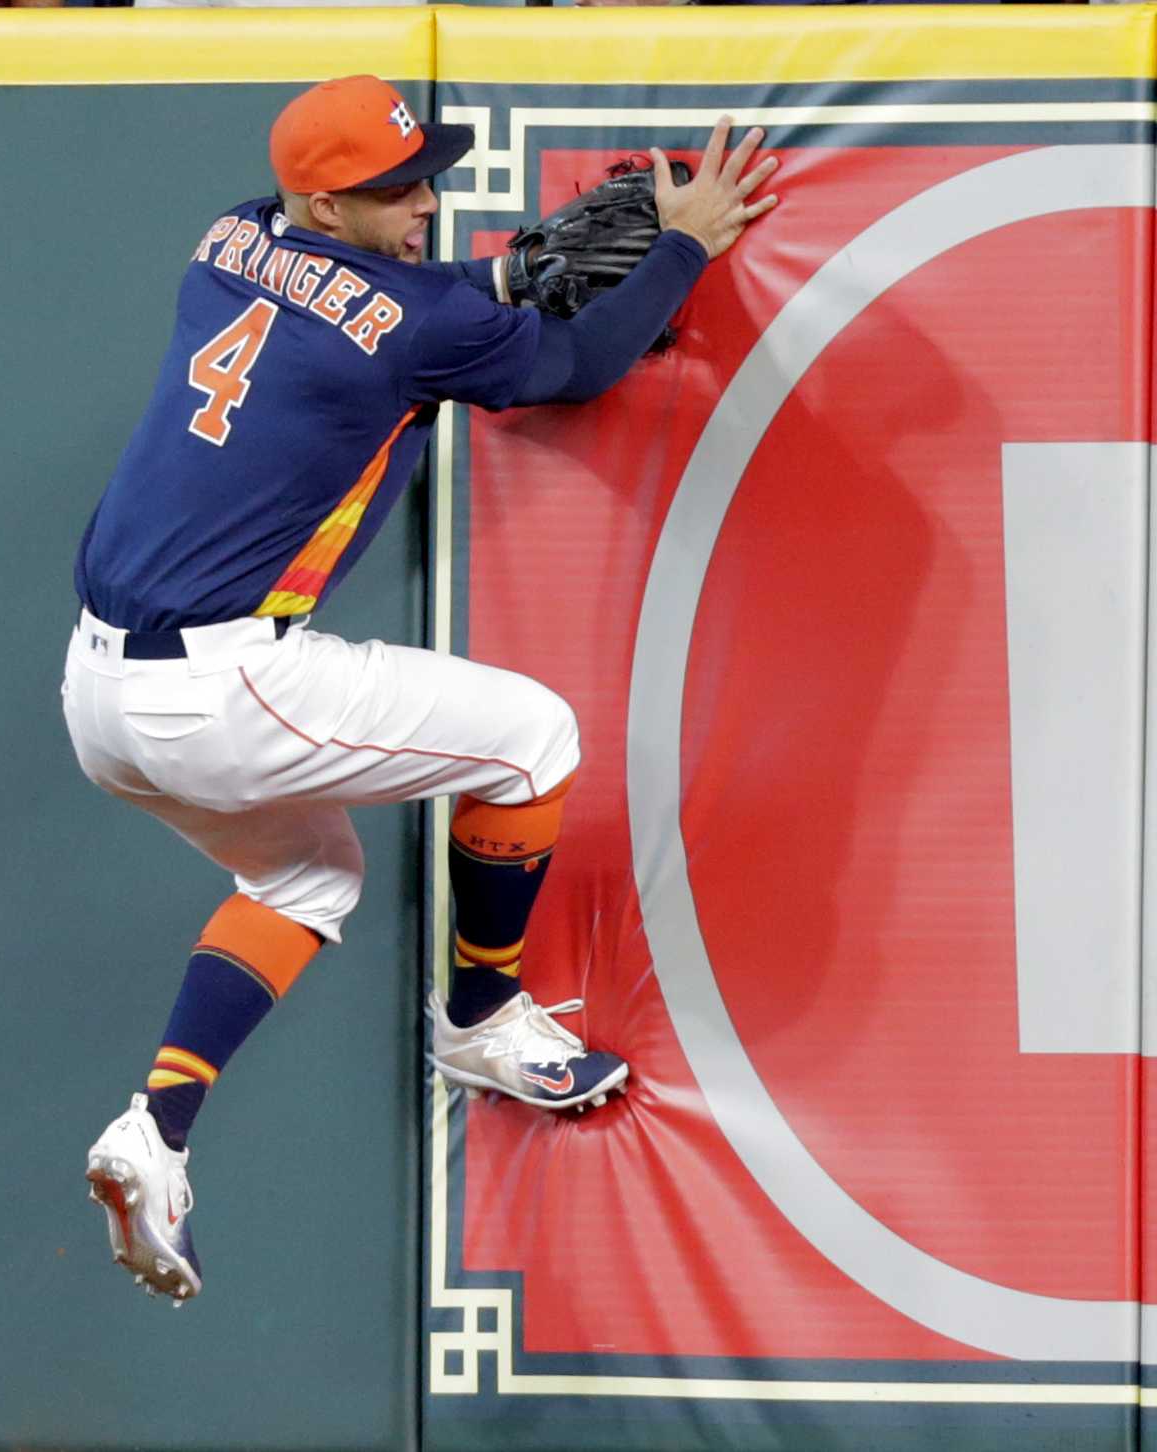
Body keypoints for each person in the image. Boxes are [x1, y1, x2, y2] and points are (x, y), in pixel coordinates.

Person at [64, 74, 778, 1304]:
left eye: (422, 172)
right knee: (530, 739)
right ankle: (483, 1019)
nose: (422, 198)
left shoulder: (232, 232)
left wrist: (495, 280)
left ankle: (156, 1132)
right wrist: (679, 250)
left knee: (303, 878)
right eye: (390, 189)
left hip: (96, 690)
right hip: (222, 685)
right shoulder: (404, 319)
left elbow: (394, 307)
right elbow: (580, 362)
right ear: (321, 203)